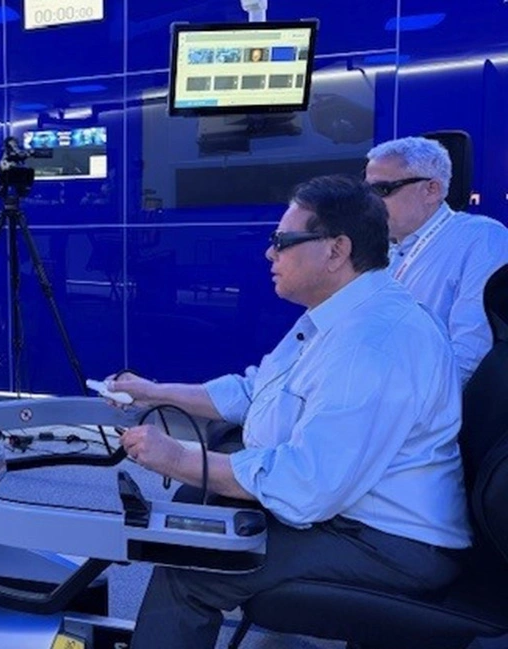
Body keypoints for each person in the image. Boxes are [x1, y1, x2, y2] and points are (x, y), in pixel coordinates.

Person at [107, 175, 470, 649]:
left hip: (390, 544)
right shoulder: (341, 315)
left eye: (282, 241)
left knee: (191, 569)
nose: (269, 253)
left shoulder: (374, 343)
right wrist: (153, 393)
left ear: (336, 250)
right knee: (197, 502)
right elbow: (255, 390)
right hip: (351, 512)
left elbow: (307, 485)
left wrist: (178, 458)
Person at [365, 136, 508, 386]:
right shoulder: (381, 249)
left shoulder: (481, 239)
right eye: (366, 192)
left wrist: (396, 404)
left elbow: (470, 354)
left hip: (423, 402)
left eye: (381, 190)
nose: (369, 203)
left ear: (431, 190)